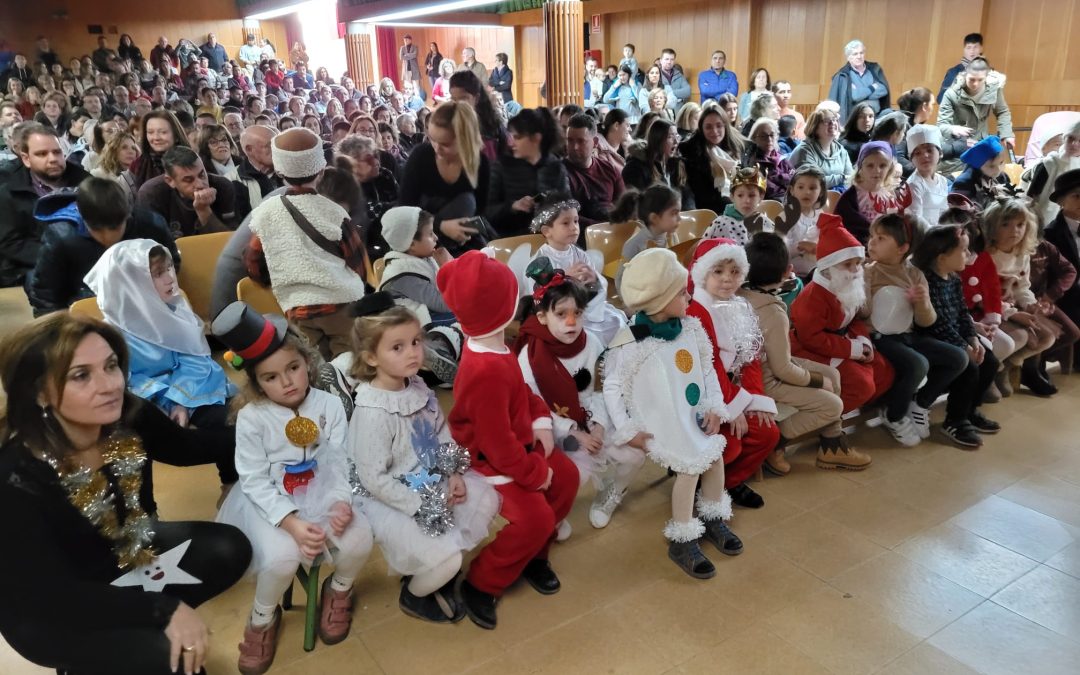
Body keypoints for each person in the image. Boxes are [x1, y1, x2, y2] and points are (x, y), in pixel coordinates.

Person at [0, 312, 252, 675]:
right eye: (81, 375)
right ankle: (93, 657)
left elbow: (190, 448)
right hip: (51, 608)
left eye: (111, 366)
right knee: (176, 662)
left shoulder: (128, 416)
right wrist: (165, 611)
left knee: (230, 549)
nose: (109, 385)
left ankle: (135, 631)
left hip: (125, 552)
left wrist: (268, 427)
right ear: (39, 392)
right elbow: (49, 595)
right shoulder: (14, 478)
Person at [211, 303, 373, 674]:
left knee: (360, 536)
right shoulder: (253, 419)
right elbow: (252, 478)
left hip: (325, 491)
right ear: (255, 382)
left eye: (293, 368)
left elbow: (341, 461)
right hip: (270, 502)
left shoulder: (330, 405)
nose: (287, 383)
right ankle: (262, 618)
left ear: (307, 362)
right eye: (270, 377)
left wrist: (339, 503)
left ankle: (340, 589)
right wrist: (292, 522)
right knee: (282, 557)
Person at [436, 251, 580, 628]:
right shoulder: (484, 369)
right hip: (487, 459)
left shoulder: (496, 345)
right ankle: (482, 583)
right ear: (500, 308)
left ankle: (534, 556)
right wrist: (534, 474)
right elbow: (495, 445)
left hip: (518, 444)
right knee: (535, 517)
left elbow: (523, 394)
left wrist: (540, 421)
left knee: (566, 479)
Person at [346, 294, 496, 622]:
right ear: (371, 357)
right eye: (397, 347)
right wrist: (421, 507)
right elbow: (374, 479)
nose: (413, 352)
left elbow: (438, 431)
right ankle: (415, 595)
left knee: (481, 503)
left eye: (415, 341)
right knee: (450, 558)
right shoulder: (374, 411)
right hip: (392, 497)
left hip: (427, 478)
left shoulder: (416, 386)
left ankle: (431, 570)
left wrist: (453, 473)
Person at [605, 247, 741, 577]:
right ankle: (682, 536)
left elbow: (706, 370)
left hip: (692, 412)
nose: (688, 296)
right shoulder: (631, 340)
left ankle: (712, 518)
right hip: (660, 420)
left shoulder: (691, 327)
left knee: (714, 456)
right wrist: (627, 429)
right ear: (658, 300)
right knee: (689, 469)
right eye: (681, 292)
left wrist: (714, 407)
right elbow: (612, 387)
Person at [514, 261, 644, 528]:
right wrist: (573, 432)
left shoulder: (592, 343)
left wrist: (598, 426)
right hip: (555, 430)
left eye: (577, 313)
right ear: (542, 317)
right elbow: (533, 405)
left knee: (635, 455)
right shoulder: (530, 355)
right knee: (572, 474)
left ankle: (613, 492)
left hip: (591, 420)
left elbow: (601, 390)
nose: (571, 322)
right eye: (561, 314)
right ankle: (556, 512)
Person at [84, 239, 236, 441]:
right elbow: (124, 380)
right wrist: (166, 402)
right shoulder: (110, 335)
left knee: (239, 419)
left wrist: (180, 402)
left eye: (169, 268)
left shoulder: (175, 311)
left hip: (190, 390)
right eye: (157, 274)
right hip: (146, 403)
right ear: (130, 284)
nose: (170, 278)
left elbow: (196, 358)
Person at [246, 128, 366, 360]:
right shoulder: (334, 212)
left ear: (279, 169)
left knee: (315, 365)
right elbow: (357, 261)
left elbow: (253, 260)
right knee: (350, 364)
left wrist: (269, 282)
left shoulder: (265, 213)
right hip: (341, 306)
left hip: (298, 308)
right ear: (321, 169)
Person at [739, 232, 851, 474]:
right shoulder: (772, 312)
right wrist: (819, 382)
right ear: (786, 271)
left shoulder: (741, 293)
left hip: (764, 368)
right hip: (765, 380)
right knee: (832, 405)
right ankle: (776, 445)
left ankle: (832, 444)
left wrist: (823, 378)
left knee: (833, 374)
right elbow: (783, 370)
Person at [686, 240, 781, 506]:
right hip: (703, 396)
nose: (727, 279)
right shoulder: (695, 312)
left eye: (734, 272)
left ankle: (729, 483)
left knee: (768, 433)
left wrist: (755, 399)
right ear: (703, 273)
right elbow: (708, 367)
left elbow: (750, 360)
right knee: (732, 445)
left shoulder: (740, 306)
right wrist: (734, 406)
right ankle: (702, 487)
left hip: (732, 390)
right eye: (718, 271)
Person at [790, 215, 894, 450]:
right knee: (861, 385)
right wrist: (854, 350)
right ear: (830, 266)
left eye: (858, 263)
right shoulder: (813, 297)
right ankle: (824, 419)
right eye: (849, 265)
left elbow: (854, 319)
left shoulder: (845, 284)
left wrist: (863, 342)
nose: (857, 270)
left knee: (883, 371)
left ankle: (844, 413)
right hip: (811, 349)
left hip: (840, 340)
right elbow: (811, 338)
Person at [862, 213, 968, 446]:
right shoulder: (868, 271)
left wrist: (922, 302)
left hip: (908, 335)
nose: (872, 242)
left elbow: (926, 322)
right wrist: (864, 284)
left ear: (902, 248)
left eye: (881, 238)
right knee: (917, 364)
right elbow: (862, 312)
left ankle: (920, 403)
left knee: (958, 357)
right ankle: (893, 415)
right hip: (879, 337)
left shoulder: (914, 274)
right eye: (871, 236)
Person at [27, 175, 172, 315]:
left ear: (127, 215)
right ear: (82, 217)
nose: (107, 237)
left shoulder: (151, 226)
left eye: (114, 228)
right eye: (97, 229)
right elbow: (45, 297)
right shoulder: (61, 237)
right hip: (84, 310)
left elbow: (171, 265)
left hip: (143, 305)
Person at [913, 224, 1003, 445]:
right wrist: (965, 347)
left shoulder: (953, 279)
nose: (969, 254)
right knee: (969, 366)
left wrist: (972, 338)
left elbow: (962, 313)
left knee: (990, 362)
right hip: (929, 338)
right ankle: (955, 420)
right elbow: (937, 324)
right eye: (963, 250)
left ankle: (969, 410)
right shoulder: (927, 280)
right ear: (942, 257)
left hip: (954, 337)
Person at [984, 198, 1061, 396]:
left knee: (1047, 336)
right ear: (992, 226)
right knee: (1022, 335)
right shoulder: (987, 256)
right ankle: (990, 371)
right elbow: (983, 296)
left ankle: (1005, 365)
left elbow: (1022, 287)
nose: (1015, 231)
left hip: (1010, 307)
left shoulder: (1022, 254)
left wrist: (1032, 305)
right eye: (1006, 224)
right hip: (988, 310)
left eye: (1020, 225)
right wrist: (1012, 314)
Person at [0, 123, 89, 287]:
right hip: (32, 272)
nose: (53, 159)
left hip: (86, 266)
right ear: (26, 159)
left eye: (57, 152)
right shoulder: (8, 193)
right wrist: (56, 258)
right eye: (42, 154)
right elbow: (11, 244)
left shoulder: (88, 184)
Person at [528, 196, 627, 343]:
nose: (574, 227)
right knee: (589, 334)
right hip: (560, 314)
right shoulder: (541, 260)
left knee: (616, 320)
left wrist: (594, 279)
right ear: (547, 231)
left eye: (575, 221)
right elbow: (538, 294)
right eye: (566, 223)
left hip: (584, 307)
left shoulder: (580, 253)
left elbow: (595, 284)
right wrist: (563, 277)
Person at [399, 102, 490, 254]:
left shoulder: (480, 163)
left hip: (463, 239)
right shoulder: (421, 156)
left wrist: (463, 229)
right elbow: (405, 209)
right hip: (419, 238)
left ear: (465, 140)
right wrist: (441, 225)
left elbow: (480, 211)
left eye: (445, 144)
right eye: (432, 139)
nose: (436, 148)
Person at [486, 108, 569, 237]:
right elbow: (487, 212)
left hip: (549, 238)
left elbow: (568, 206)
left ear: (536, 138)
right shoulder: (502, 166)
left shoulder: (555, 167)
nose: (511, 142)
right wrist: (513, 206)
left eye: (517, 137)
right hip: (510, 239)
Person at [136, 145, 236, 238]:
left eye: (202, 175)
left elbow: (230, 243)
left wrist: (203, 210)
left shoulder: (223, 186)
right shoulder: (151, 194)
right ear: (170, 181)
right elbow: (153, 246)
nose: (200, 184)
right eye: (188, 180)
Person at [937, 57, 1014, 172]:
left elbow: (1002, 112)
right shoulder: (951, 93)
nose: (975, 84)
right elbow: (941, 125)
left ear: (986, 78)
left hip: (980, 145)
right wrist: (952, 128)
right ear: (964, 75)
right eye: (971, 79)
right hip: (958, 148)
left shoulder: (994, 90)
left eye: (980, 80)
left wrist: (1006, 134)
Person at [834, 141, 910, 245]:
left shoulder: (889, 196)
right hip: (856, 247)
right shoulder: (851, 196)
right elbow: (842, 226)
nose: (877, 170)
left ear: (890, 168)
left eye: (883, 165)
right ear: (861, 168)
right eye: (870, 165)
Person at [562, 113, 625, 229]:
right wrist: (602, 227)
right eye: (570, 141)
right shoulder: (558, 173)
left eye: (581, 141)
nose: (574, 147)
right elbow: (564, 217)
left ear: (595, 142)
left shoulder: (609, 169)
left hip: (612, 230)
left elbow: (624, 204)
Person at [622, 118, 693, 207]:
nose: (676, 142)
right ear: (657, 140)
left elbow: (687, 195)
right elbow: (638, 204)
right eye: (670, 137)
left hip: (675, 217)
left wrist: (689, 215)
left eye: (677, 136)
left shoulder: (676, 163)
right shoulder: (635, 167)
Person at [773, 165, 828, 278]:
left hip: (818, 271)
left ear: (821, 192)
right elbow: (778, 252)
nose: (807, 192)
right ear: (792, 190)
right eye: (801, 187)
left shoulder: (821, 215)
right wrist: (799, 247)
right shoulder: (785, 218)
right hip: (792, 273)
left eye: (812, 188)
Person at [1024, 120, 1080, 225]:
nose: (1074, 144)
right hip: (1041, 219)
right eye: (1071, 138)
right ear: (1065, 138)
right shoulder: (1048, 163)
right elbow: (1030, 197)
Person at [704, 166, 773, 245]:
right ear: (732, 197)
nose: (746, 200)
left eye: (752, 195)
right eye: (740, 195)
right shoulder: (720, 225)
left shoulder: (765, 222)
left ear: (761, 196)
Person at [828, 39, 892, 123]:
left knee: (892, 115)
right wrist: (873, 87)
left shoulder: (874, 69)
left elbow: (883, 89)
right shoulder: (843, 76)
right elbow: (855, 96)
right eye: (855, 54)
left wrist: (861, 93)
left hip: (876, 117)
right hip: (854, 120)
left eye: (861, 53)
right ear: (848, 57)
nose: (859, 56)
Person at [788, 108, 852, 189]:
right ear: (815, 127)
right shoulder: (804, 151)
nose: (832, 123)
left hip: (836, 196)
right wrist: (841, 178)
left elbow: (850, 178)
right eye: (826, 121)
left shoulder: (841, 150)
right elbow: (813, 182)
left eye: (834, 119)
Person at [951, 136, 1015, 209]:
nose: (998, 169)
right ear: (978, 165)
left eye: (1001, 163)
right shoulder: (963, 184)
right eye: (991, 166)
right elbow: (961, 216)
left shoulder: (1002, 177)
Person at [905, 124, 950, 226]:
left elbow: (944, 212)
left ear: (940, 153)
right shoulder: (914, 184)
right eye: (917, 153)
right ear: (911, 159)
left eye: (929, 150)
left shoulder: (942, 181)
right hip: (923, 235)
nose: (925, 156)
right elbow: (916, 221)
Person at [742, 118, 793, 201]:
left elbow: (795, 177)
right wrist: (787, 182)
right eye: (763, 136)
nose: (769, 140)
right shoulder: (753, 162)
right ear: (754, 138)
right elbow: (770, 191)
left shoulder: (780, 157)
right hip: (772, 204)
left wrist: (779, 178)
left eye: (772, 135)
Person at [938, 33, 984, 104]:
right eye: (968, 47)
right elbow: (940, 99)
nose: (972, 51)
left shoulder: (989, 73)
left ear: (981, 48)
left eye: (975, 47)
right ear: (964, 49)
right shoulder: (954, 72)